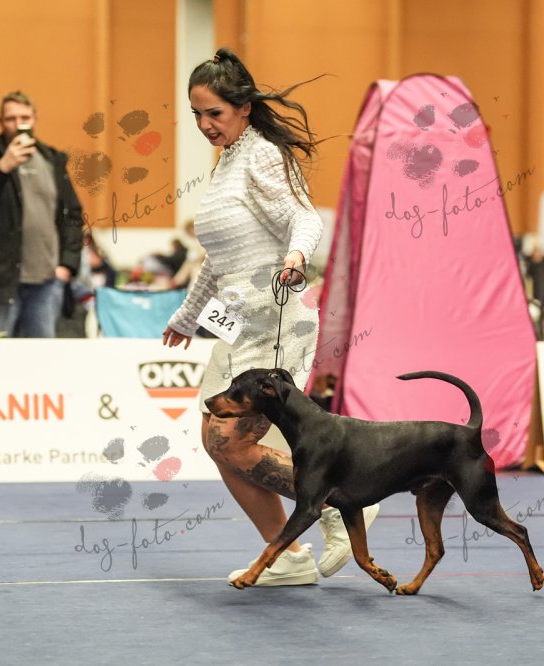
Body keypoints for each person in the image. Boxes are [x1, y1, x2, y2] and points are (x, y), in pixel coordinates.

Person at [162, 48, 379, 587]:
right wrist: (188, 316)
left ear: (243, 107)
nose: (205, 124)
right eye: (196, 114)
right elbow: (220, 258)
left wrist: (296, 255)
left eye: (214, 112)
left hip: (276, 319)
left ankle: (340, 502)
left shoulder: (261, 155)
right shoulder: (227, 161)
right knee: (216, 440)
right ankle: (287, 556)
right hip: (239, 323)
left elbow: (305, 218)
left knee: (228, 441)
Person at [0, 90, 83, 337]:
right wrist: (2, 168)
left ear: (35, 119)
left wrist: (67, 265)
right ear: (0, 122)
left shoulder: (52, 160)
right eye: (11, 119)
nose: (18, 125)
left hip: (47, 282)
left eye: (24, 118)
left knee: (40, 358)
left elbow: (73, 214)